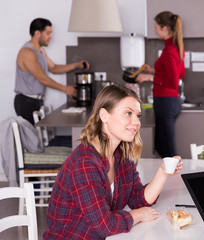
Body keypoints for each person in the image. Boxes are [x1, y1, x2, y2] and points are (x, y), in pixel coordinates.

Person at [43, 84, 183, 239]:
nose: (136, 122)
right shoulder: (85, 163)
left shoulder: (121, 156)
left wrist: (163, 172)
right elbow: (105, 225)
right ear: (104, 115)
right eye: (128, 113)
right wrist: (138, 215)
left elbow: (138, 199)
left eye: (138, 115)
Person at [14, 18, 90, 125]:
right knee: (33, 138)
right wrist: (65, 89)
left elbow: (53, 68)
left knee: (37, 137)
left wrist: (77, 65)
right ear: (37, 33)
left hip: (36, 102)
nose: (51, 37)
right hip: (26, 102)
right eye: (48, 33)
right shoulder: (27, 52)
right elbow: (42, 78)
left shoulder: (40, 51)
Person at [136, 11, 185, 158]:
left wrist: (150, 77)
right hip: (168, 102)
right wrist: (153, 69)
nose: (155, 29)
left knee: (168, 150)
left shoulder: (169, 51)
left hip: (166, 102)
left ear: (165, 28)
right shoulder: (174, 48)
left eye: (156, 26)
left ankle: (176, 179)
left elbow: (174, 81)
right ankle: (169, 177)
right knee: (160, 144)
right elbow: (180, 73)